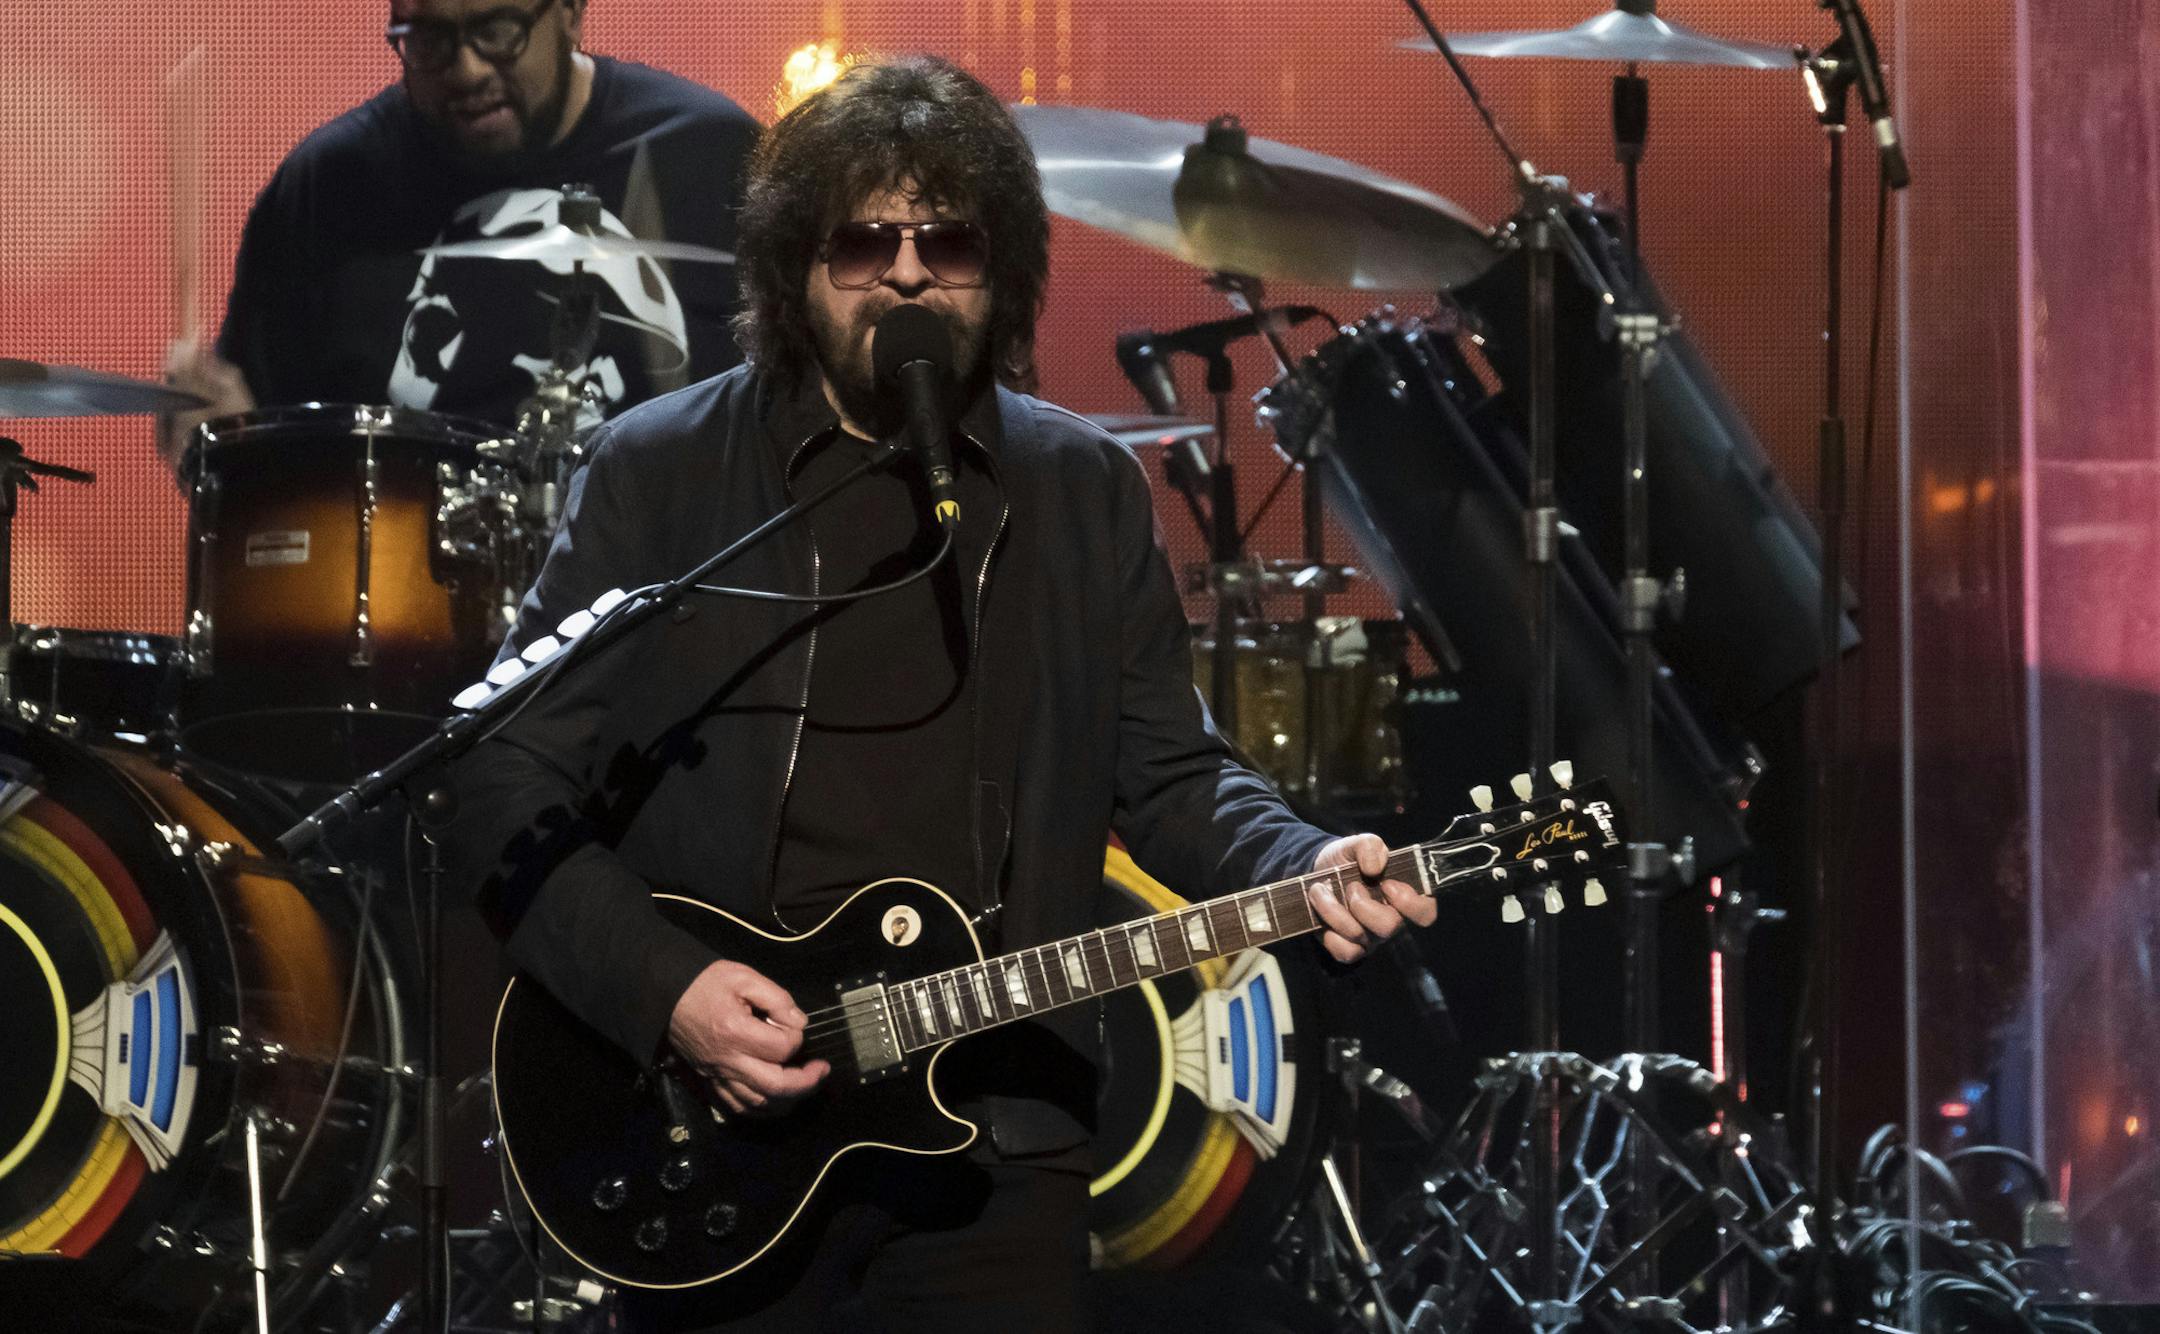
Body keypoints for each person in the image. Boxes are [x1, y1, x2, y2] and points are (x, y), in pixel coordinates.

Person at [441, 54, 1438, 1332]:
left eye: (946, 241)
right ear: (797, 270)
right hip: (718, 1135)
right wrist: (666, 987)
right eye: (863, 240)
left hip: (995, 1142)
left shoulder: (1079, 492)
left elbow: (1176, 774)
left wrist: (1301, 858)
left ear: (999, 268)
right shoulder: (665, 474)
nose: (906, 271)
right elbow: (499, 769)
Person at [159, 0, 759, 462]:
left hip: (670, 605)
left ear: (571, 12)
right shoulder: (327, 192)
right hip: (409, 611)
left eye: (497, 31)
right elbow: (279, 484)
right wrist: (227, 448)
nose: (466, 70)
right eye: (429, 41)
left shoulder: (712, 157)